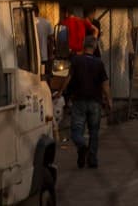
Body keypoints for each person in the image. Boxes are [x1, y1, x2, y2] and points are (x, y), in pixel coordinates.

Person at [60, 37, 111, 169]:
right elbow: (105, 84)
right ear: (95, 47)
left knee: (76, 131)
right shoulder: (99, 63)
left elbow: (68, 78)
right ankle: (92, 159)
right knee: (94, 132)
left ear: (83, 46)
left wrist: (60, 92)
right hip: (95, 102)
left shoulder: (76, 60)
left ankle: (82, 146)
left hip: (79, 101)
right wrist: (109, 100)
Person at [36, 13, 54, 81]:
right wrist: (51, 55)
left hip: (28, 59)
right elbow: (51, 39)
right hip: (44, 57)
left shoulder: (26, 21)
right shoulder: (46, 22)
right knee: (44, 80)